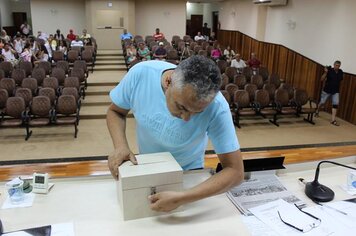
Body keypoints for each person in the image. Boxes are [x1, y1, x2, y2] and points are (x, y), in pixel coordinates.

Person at [107, 56, 244, 212]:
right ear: (168, 82)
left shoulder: (217, 106)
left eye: (197, 112)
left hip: (189, 175)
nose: (186, 118)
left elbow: (235, 171)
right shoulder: (141, 74)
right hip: (146, 167)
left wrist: (183, 197)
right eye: (182, 107)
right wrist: (120, 146)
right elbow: (115, 111)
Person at [316, 61, 343, 126]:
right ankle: (317, 110)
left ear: (340, 66)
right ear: (334, 65)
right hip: (327, 90)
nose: (337, 66)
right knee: (322, 102)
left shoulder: (340, 72)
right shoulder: (329, 70)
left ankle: (333, 120)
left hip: (335, 91)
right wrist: (325, 72)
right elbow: (322, 79)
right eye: (336, 65)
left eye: (338, 65)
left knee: (335, 104)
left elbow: (340, 80)